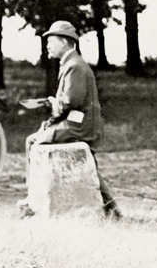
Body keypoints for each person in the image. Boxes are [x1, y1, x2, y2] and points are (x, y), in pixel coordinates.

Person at [23, 20, 122, 219]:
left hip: (79, 126)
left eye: (51, 41)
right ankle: (112, 210)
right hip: (79, 123)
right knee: (89, 164)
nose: (48, 46)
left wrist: (54, 104)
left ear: (64, 42)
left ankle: (32, 200)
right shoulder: (72, 63)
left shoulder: (74, 66)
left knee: (33, 141)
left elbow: (71, 102)